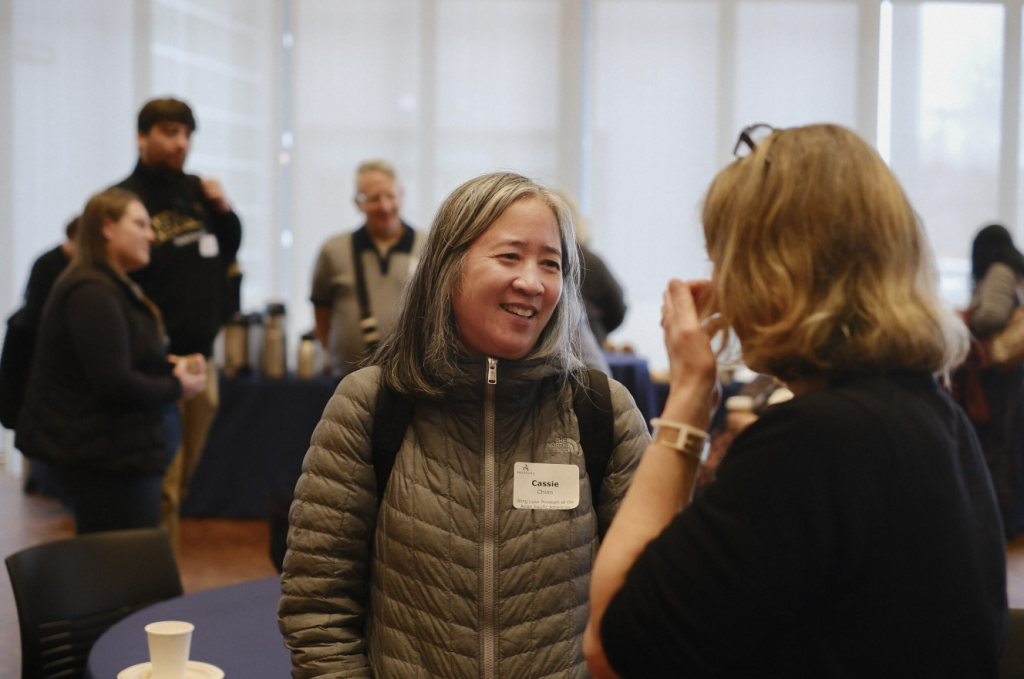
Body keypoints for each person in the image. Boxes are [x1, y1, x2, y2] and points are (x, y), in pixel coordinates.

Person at [584, 124, 1007, 678]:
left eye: (723, 262)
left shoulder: (816, 441)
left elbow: (613, 646)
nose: (719, 287)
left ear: (775, 271)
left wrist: (688, 394)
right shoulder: (933, 415)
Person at [280, 172, 649, 678]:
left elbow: (649, 600)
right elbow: (318, 608)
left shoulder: (602, 410)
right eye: (510, 256)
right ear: (447, 267)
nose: (532, 282)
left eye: (551, 263)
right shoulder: (371, 404)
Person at [15, 188, 207, 534]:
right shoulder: (92, 292)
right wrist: (177, 385)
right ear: (107, 227)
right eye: (140, 224)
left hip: (115, 457)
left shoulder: (108, 286)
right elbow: (115, 384)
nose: (151, 236)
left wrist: (169, 368)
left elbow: (119, 360)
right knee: (123, 564)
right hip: (106, 463)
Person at [114, 97, 243, 547]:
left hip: (201, 358)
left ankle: (160, 567)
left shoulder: (197, 193)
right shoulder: (125, 200)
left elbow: (228, 249)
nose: (181, 143)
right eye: (170, 132)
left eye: (187, 134)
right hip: (156, 363)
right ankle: (154, 579)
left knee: (183, 482)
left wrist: (225, 211)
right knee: (162, 486)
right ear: (142, 137)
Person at [310, 159, 425, 377]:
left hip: (414, 379)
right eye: (373, 198)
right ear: (358, 203)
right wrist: (329, 353)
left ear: (401, 196)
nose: (385, 207)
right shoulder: (333, 251)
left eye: (390, 195)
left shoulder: (429, 247)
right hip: (346, 379)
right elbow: (321, 309)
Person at [966, 223, 1024, 537]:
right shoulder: (1015, 271)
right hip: (1014, 371)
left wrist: (965, 319)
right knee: (1010, 439)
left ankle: (1000, 520)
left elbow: (992, 315)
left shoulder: (999, 272)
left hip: (1001, 373)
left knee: (996, 441)